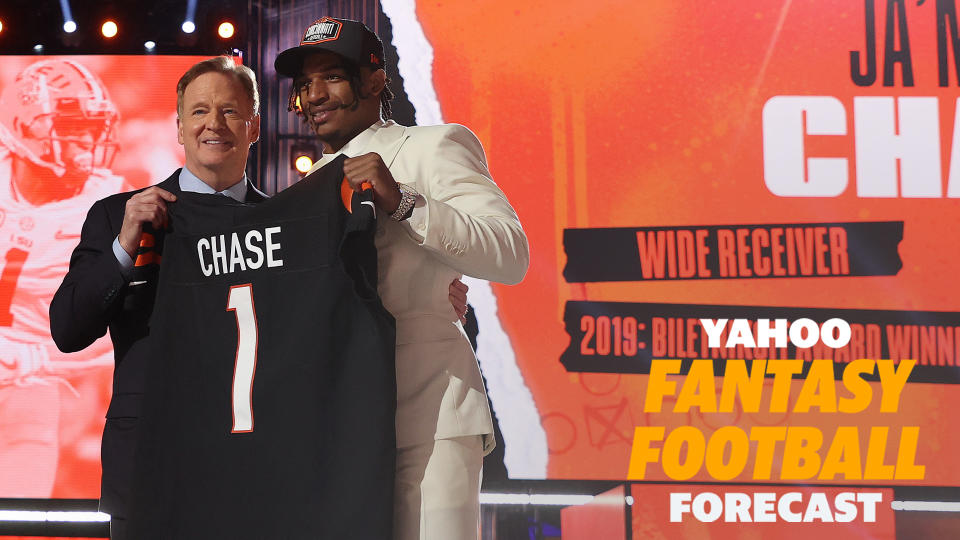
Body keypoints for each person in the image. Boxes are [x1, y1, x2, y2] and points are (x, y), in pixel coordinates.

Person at [275, 17, 530, 539]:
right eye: (304, 84)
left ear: (373, 81)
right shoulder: (303, 192)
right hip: (340, 424)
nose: (314, 94)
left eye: (331, 76)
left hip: (429, 415)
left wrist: (405, 203)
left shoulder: (432, 147)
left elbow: (510, 252)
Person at [49, 56, 265, 540]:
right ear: (180, 127)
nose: (214, 123)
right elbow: (66, 330)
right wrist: (124, 246)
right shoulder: (115, 216)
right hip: (147, 467)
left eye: (230, 111)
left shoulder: (284, 226)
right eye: (200, 111)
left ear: (254, 127)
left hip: (251, 472)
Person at [0, 58, 123, 497]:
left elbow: (121, 331)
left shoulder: (109, 208)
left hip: (34, 385)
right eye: (70, 125)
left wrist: (34, 358)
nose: (84, 140)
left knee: (20, 503)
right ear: (21, 124)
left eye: (90, 127)